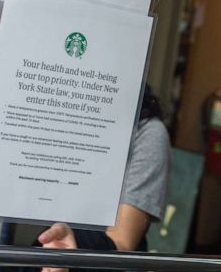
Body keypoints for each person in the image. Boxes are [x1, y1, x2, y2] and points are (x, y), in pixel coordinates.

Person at [36, 86, 170, 272]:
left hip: (98, 261)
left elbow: (122, 242)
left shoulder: (147, 130)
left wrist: (70, 251)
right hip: (47, 250)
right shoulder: (63, 115)